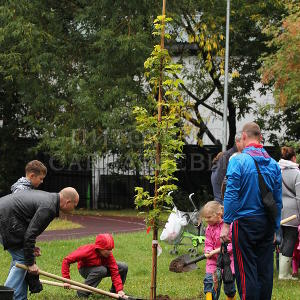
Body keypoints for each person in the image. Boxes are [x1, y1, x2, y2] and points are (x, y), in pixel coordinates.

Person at [220, 122, 282, 300]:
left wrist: (226, 223)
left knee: (246, 272)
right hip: (267, 225)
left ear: (244, 137)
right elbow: (277, 200)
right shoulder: (273, 164)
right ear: (260, 137)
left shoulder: (238, 161)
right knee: (265, 271)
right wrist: (276, 228)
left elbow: (231, 195)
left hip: (244, 224)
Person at [0, 187, 79, 300]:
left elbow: (29, 231)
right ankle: (4, 297)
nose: (73, 209)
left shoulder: (50, 200)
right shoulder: (49, 208)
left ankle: (20, 298)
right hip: (5, 219)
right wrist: (31, 263)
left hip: (8, 217)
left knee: (22, 259)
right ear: (68, 202)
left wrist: (31, 249)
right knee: (23, 260)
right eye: (74, 206)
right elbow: (30, 235)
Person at [61, 233, 128, 298]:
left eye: (111, 249)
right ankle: (82, 293)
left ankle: (115, 293)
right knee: (102, 270)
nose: (110, 252)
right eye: (107, 249)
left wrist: (119, 289)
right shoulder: (86, 251)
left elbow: (114, 271)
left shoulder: (108, 255)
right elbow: (66, 261)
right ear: (99, 248)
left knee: (123, 267)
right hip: (85, 269)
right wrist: (66, 280)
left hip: (100, 268)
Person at [200, 201, 236, 300]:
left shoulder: (229, 226)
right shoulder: (208, 228)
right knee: (209, 283)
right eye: (205, 217)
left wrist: (215, 251)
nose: (206, 220)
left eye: (209, 217)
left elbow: (233, 245)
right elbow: (208, 243)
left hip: (228, 261)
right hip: (213, 261)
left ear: (219, 215)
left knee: (229, 286)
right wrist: (208, 250)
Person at [278, 146, 300, 279]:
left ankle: (282, 271)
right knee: (290, 239)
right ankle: (284, 274)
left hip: (279, 210)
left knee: (283, 240)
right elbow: (299, 197)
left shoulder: (277, 170)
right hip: (293, 211)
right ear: (294, 158)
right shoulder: (297, 173)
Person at [211, 133, 243, 203]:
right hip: (224, 202)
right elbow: (223, 183)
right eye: (245, 141)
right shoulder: (227, 157)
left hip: (223, 201)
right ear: (238, 141)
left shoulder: (227, 156)